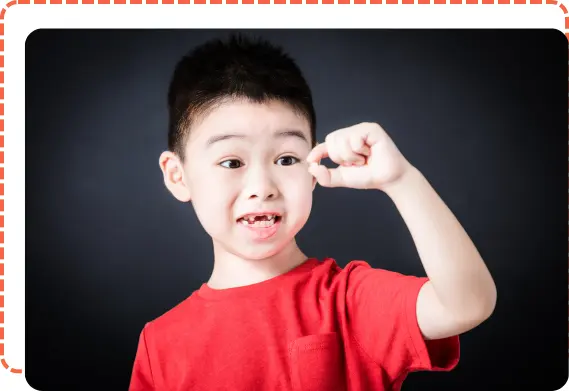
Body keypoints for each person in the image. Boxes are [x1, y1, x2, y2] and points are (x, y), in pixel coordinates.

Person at [128, 34, 497, 391]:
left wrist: (401, 180)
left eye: (286, 159)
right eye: (232, 161)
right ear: (178, 176)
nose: (263, 186)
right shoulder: (159, 342)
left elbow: (467, 305)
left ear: (312, 169)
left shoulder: (348, 300)